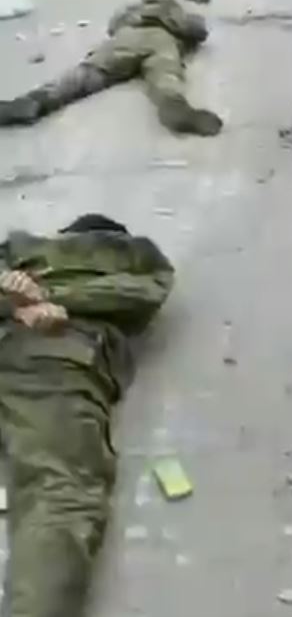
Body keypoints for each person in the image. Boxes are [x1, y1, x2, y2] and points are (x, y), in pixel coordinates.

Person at [0, 213, 174, 616]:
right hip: (50, 359)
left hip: (47, 352)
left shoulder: (22, 254)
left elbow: (138, 295)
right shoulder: (134, 259)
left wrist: (37, 297)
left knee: (58, 489)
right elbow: (140, 296)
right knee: (59, 492)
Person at [0, 0, 223, 136]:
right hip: (161, 39)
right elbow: (198, 32)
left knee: (88, 74)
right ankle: (175, 108)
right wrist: (184, 27)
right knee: (166, 75)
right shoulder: (173, 9)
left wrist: (129, 21)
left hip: (127, 38)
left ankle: (34, 102)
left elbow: (112, 26)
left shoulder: (130, 12)